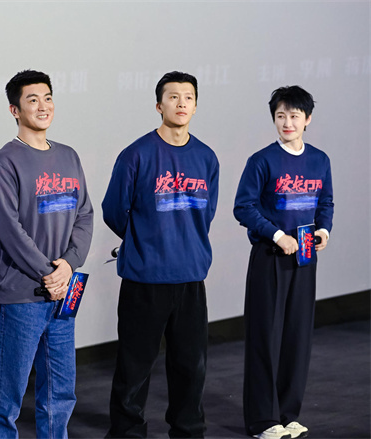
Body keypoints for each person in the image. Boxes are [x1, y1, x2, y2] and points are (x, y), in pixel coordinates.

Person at [102, 71, 219, 438]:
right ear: (158, 105)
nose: (181, 103)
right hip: (145, 279)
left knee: (191, 367)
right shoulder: (136, 155)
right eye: (173, 97)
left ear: (196, 106)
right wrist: (144, 239)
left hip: (190, 278)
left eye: (188, 97)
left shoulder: (206, 157)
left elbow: (206, 213)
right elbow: (113, 211)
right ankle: (127, 433)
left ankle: (188, 431)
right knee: (134, 367)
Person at [0, 69, 94, 438]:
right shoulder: (5, 162)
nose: (43, 106)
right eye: (33, 100)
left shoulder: (69, 156)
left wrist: (68, 265)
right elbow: (7, 228)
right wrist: (49, 272)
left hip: (64, 293)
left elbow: (85, 214)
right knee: (7, 398)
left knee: (60, 394)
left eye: (48, 98)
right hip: (22, 297)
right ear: (15, 110)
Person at [233, 86, 333, 439]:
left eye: (294, 116)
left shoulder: (319, 160)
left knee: (297, 337)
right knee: (266, 338)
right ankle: (264, 420)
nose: (287, 122)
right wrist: (276, 235)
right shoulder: (261, 160)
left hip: (305, 257)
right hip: (270, 258)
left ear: (308, 119)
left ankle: (289, 413)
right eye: (280, 116)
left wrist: (324, 230)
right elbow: (244, 207)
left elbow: (325, 202)